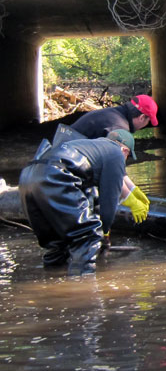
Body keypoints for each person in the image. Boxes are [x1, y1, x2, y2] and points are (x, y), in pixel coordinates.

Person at [19, 130, 144, 276]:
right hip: (55, 176)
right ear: (125, 150)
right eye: (127, 157)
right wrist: (104, 235)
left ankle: (52, 279)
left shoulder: (89, 148)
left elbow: (88, 197)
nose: (125, 161)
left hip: (28, 178)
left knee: (58, 244)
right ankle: (83, 290)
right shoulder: (116, 154)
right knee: (87, 237)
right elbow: (109, 203)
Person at [68, 95, 158, 223]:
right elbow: (112, 170)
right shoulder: (118, 129)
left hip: (63, 164)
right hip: (66, 173)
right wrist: (128, 198)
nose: (144, 126)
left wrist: (133, 188)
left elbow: (117, 168)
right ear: (142, 117)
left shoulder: (113, 115)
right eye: (147, 122)